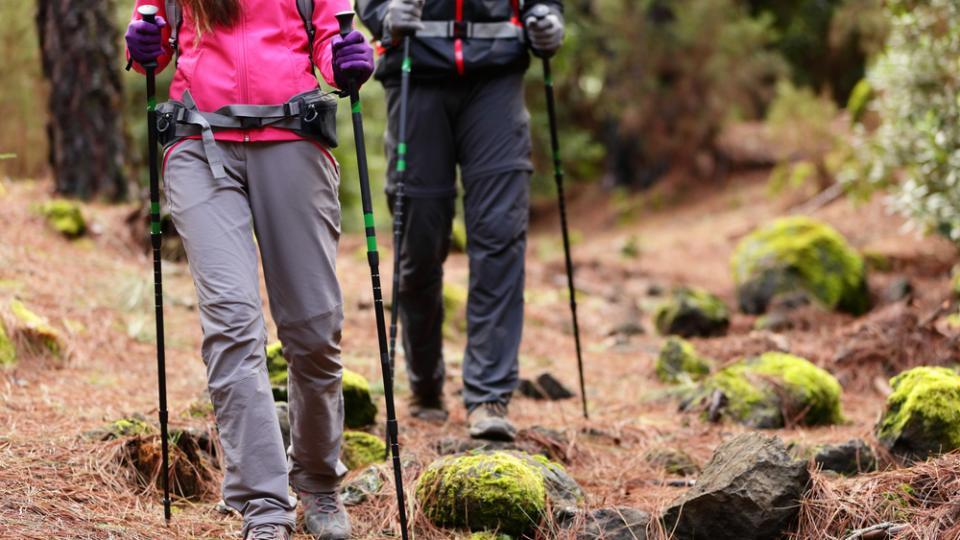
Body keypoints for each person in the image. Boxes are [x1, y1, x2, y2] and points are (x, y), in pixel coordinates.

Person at [124, 1, 374, 539]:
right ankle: (264, 506)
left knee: (313, 329)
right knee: (233, 322)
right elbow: (155, 39)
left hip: (292, 138)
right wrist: (141, 44)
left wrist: (348, 58)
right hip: (199, 142)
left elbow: (331, 40)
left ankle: (317, 482)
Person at [357, 0, 565, 441]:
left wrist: (547, 16)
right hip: (415, 69)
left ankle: (489, 395)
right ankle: (425, 384)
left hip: (497, 79)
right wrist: (382, 15)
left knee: (500, 236)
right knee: (419, 242)